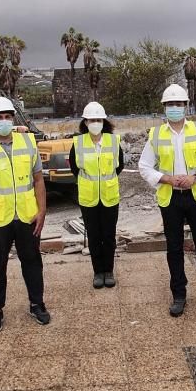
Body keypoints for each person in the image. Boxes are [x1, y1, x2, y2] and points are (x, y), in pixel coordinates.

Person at [139, 83, 196, 317]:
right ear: (164, 108)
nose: (174, 108)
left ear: (186, 106)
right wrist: (165, 178)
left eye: (178, 104)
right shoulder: (156, 134)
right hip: (170, 199)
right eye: (170, 105)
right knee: (174, 248)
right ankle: (179, 295)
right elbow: (144, 166)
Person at [0, 96, 48, 334]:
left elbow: (38, 181)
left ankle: (37, 304)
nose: (3, 121)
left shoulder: (28, 143)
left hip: (26, 216)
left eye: (7, 117)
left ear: (13, 119)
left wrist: (41, 210)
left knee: (33, 262)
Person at [68, 102, 124, 289]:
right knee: (93, 236)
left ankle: (108, 271)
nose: (95, 123)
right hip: (88, 197)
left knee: (109, 235)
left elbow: (120, 166)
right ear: (85, 122)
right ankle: (97, 272)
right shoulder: (78, 143)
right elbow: (75, 169)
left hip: (109, 196)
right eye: (92, 120)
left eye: (98, 120)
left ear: (104, 121)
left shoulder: (113, 141)